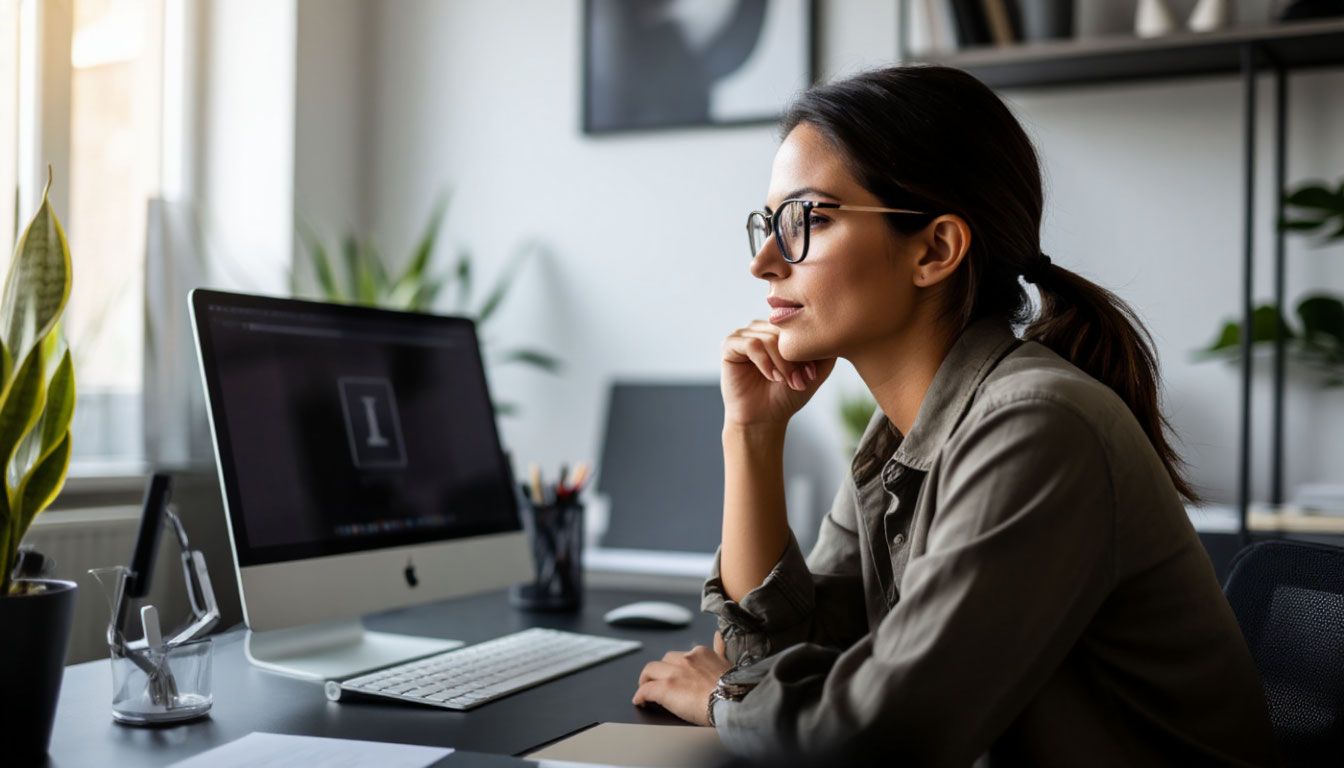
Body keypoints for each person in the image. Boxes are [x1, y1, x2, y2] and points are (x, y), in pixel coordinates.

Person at [630, 65, 1279, 767]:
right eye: (769, 224)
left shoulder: (1036, 426)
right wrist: (753, 435)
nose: (764, 263)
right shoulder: (902, 439)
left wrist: (725, 698)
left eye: (807, 220)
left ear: (935, 249)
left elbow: (883, 733)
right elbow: (785, 654)